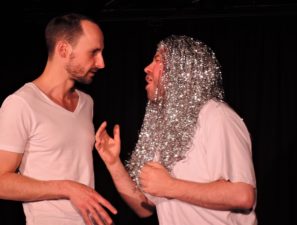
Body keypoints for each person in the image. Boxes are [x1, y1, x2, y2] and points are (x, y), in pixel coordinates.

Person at [95, 35, 257, 225]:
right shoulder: (170, 128)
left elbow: (243, 196)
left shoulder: (216, 116)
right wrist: (114, 163)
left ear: (183, 70)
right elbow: (144, 207)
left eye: (157, 60)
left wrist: (170, 186)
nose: (147, 68)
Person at [0, 13, 117, 225]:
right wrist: (67, 188)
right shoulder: (21, 104)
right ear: (63, 49)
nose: (101, 63)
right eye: (94, 52)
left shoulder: (86, 103)